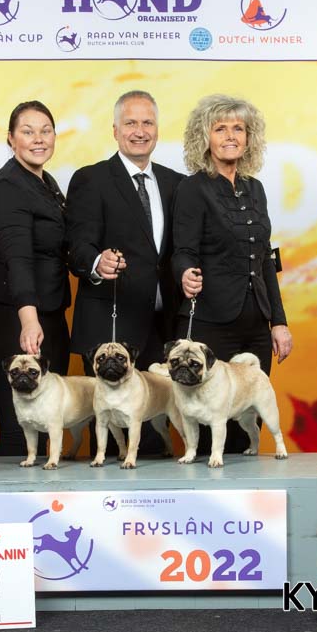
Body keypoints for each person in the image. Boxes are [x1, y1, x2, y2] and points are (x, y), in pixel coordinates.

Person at [172, 93, 293, 454]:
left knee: (247, 427)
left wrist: (278, 322)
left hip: (256, 324)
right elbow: (183, 250)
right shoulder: (192, 188)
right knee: (208, 427)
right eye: (220, 128)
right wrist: (184, 274)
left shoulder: (255, 188)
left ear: (248, 137)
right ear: (204, 137)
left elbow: (265, 260)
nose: (230, 136)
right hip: (211, 322)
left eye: (238, 128)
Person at [65, 90, 183, 455]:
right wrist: (96, 263)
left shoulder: (177, 183)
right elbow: (77, 246)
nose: (140, 131)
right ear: (115, 130)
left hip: (164, 327)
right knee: (114, 440)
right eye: (130, 123)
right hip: (111, 328)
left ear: (157, 129)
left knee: (160, 435)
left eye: (147, 122)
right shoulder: (91, 179)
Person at [0, 101, 70, 457]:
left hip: (49, 312)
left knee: (46, 425)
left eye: (45, 131)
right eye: (28, 132)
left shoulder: (45, 183)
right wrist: (29, 322)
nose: (38, 139)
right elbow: (18, 259)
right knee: (21, 429)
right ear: (11, 139)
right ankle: (10, 495)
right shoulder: (9, 187)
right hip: (15, 316)